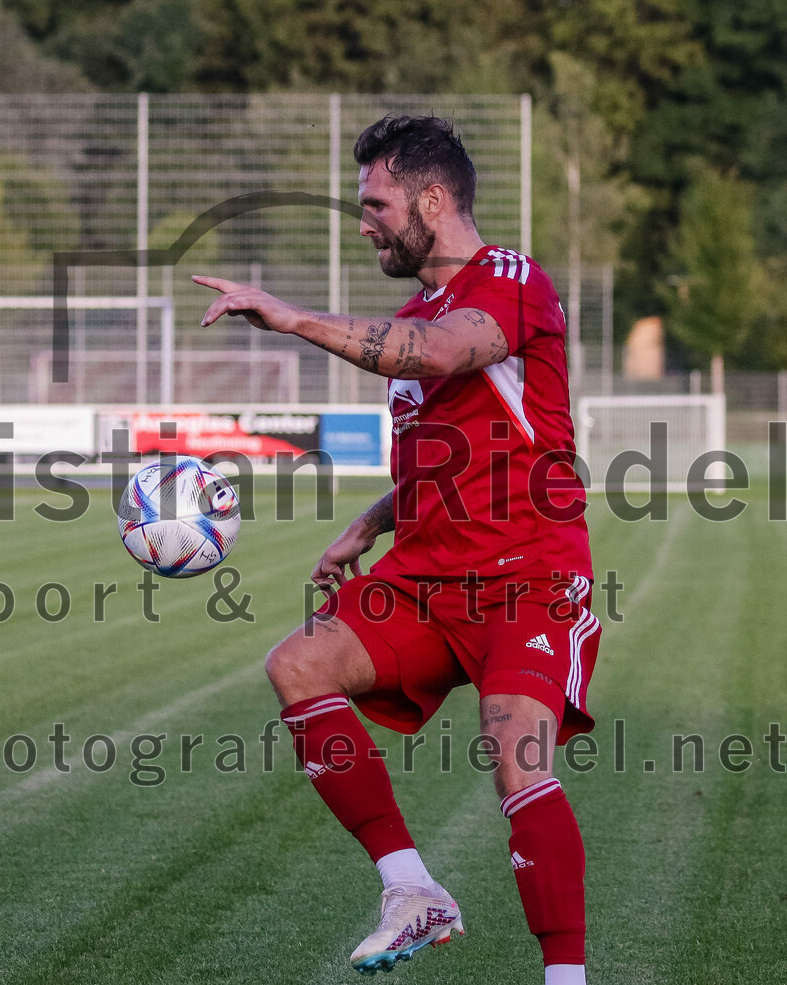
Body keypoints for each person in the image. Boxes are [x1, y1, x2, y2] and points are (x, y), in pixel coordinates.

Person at [194, 114, 600, 985]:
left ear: (433, 199)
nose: (365, 223)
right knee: (299, 665)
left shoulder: (510, 279)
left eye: (376, 204)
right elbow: (453, 444)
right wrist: (376, 520)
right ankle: (412, 889)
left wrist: (294, 319)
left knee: (516, 756)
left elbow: (443, 355)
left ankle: (566, 980)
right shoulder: (417, 308)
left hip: (527, 572)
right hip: (426, 577)